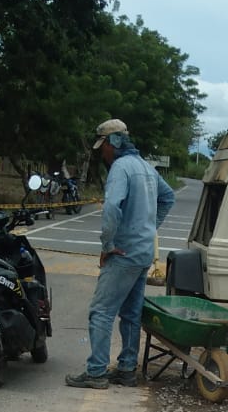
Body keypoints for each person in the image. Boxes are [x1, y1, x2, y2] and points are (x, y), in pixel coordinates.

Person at [65, 118, 175, 390]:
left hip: (123, 252)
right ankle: (126, 369)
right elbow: (168, 196)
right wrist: (149, 228)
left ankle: (96, 372)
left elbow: (112, 208)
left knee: (101, 312)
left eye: (103, 146)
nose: (102, 152)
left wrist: (108, 245)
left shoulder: (120, 168)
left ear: (113, 143)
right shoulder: (146, 168)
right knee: (130, 314)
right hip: (142, 253)